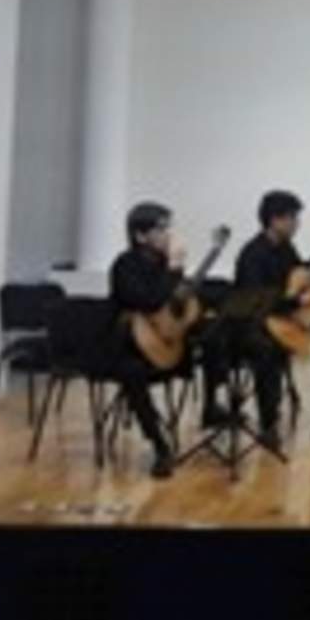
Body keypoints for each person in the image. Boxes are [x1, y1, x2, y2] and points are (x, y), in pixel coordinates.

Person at [217, 189, 310, 451]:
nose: (296, 224)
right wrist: (294, 303)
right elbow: (258, 300)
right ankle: (268, 423)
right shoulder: (252, 254)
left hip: (277, 319)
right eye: (292, 218)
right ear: (274, 220)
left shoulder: (286, 248)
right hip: (248, 326)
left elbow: (299, 274)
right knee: (267, 350)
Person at [106, 202, 186, 479]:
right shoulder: (124, 265)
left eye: (168, 228)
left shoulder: (165, 264)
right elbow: (149, 301)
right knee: (133, 373)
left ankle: (214, 409)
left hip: (162, 342)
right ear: (140, 236)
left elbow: (173, 304)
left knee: (213, 340)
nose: (168, 235)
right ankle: (159, 445)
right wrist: (173, 271)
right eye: (161, 229)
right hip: (128, 347)